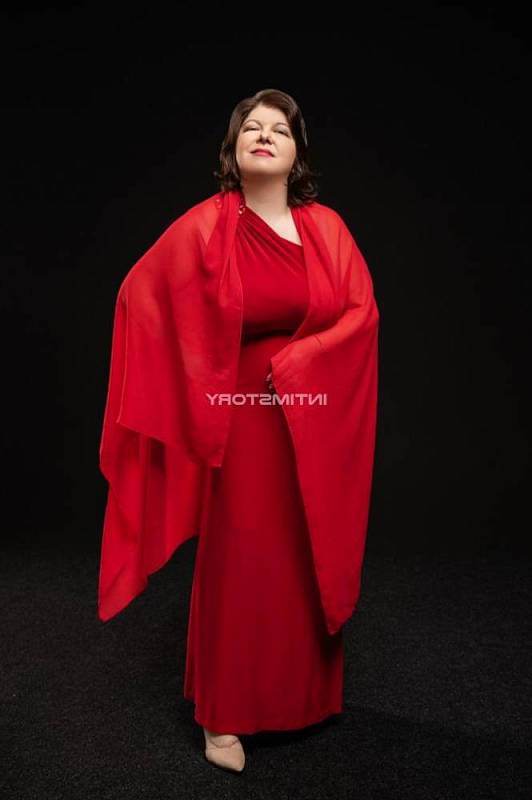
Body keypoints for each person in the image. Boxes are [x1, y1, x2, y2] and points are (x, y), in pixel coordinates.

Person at [97, 88, 380, 774]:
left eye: (278, 129)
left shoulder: (326, 229)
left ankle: (303, 698)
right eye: (250, 126)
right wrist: (197, 377)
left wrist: (305, 357)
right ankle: (223, 717)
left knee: (303, 549)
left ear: (296, 153)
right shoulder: (209, 224)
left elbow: (362, 313)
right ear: (233, 149)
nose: (263, 134)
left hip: (308, 416)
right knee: (240, 557)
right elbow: (141, 294)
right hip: (241, 418)